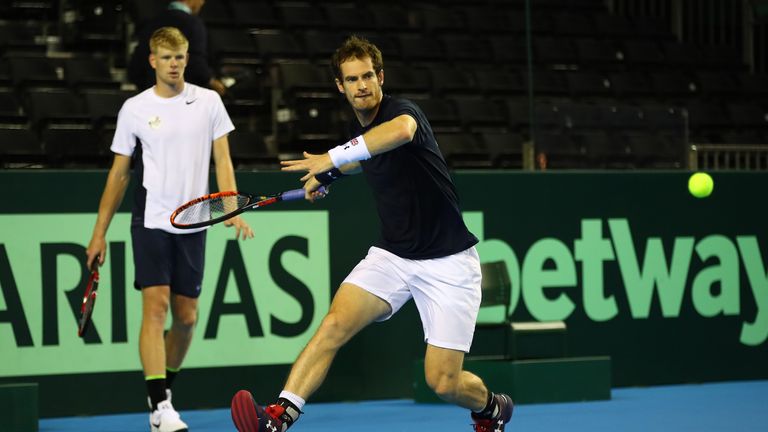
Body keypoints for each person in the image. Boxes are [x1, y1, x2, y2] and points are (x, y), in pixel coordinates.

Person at [230, 35, 513, 432]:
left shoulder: (402, 112)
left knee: (443, 382)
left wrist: (333, 157)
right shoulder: (357, 128)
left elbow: (397, 134)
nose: (361, 85)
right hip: (393, 257)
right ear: (340, 86)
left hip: (449, 263)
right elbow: (363, 159)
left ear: (381, 77)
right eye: (352, 79)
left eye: (368, 76)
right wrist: (326, 174)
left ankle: (491, 408)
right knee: (333, 325)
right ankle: (280, 416)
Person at [86, 26, 252, 432]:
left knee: (187, 318)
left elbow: (223, 161)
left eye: (180, 57)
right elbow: (119, 175)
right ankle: (160, 407)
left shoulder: (209, 101)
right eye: (167, 57)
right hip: (152, 220)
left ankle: (163, 393)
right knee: (155, 308)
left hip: (194, 222)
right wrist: (98, 232)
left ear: (187, 58)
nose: (174, 64)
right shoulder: (135, 109)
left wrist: (229, 207)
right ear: (152, 61)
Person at [128, 0, 227, 95]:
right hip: (185, 100)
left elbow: (135, 67)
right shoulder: (193, 24)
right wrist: (212, 82)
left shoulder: (150, 23)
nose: (202, 2)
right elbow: (196, 64)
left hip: (152, 98)